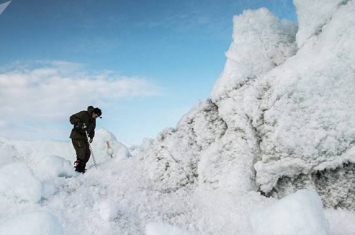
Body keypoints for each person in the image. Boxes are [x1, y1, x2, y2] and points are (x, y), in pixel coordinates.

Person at [69, 106, 102, 173]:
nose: (96, 117)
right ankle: (78, 169)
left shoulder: (93, 121)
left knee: (87, 153)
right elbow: (72, 118)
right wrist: (78, 123)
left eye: (97, 116)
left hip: (84, 138)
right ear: (93, 112)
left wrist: (91, 137)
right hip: (76, 136)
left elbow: (92, 130)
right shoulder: (84, 114)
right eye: (96, 115)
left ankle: (82, 167)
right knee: (82, 150)